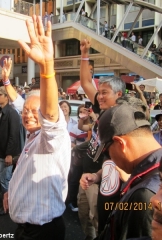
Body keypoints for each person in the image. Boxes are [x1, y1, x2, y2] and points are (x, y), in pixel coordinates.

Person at [2, 16, 71, 240]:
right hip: (26, 228)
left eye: (35, 112)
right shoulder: (34, 132)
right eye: (25, 112)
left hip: (42, 232)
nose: (28, 115)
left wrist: (47, 66)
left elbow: (49, 114)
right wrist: (6, 82)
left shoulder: (52, 136)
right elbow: (20, 103)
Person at [78, 38, 125, 240]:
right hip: (86, 176)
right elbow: (86, 82)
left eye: (105, 93)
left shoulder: (123, 120)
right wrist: (84, 54)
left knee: (100, 223)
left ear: (119, 94)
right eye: (100, 93)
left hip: (101, 181)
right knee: (85, 220)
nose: (100, 97)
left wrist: (97, 176)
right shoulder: (102, 108)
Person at [96, 103, 161, 240]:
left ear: (121, 143)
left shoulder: (145, 193)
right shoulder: (151, 170)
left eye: (107, 152)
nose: (110, 159)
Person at [0, 86, 21, 216]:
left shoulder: (12, 112)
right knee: (3, 178)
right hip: (1, 151)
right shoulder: (0, 111)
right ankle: (9, 203)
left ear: (6, 97)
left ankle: (8, 205)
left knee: (5, 178)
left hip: (8, 153)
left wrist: (9, 154)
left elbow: (14, 135)